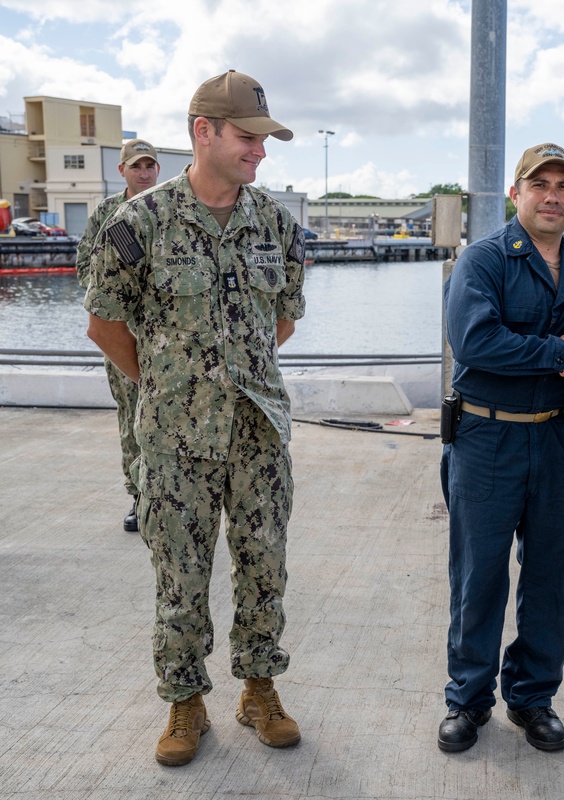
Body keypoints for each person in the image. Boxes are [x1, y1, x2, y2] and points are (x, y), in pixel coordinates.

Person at [85, 70, 306, 767]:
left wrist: (238, 377)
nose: (260, 152)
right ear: (202, 133)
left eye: (264, 140)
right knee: (180, 573)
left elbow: (284, 321)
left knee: (264, 565)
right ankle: (185, 702)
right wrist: (164, 383)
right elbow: (104, 325)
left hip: (258, 436)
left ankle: (259, 688)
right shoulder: (137, 223)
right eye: (248, 137)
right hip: (176, 440)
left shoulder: (275, 223)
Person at [438, 143, 564, 753]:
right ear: (516, 193)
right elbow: (475, 341)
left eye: (563, 186)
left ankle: (533, 698)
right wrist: (558, 351)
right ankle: (468, 700)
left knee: (553, 576)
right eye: (538, 183)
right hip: (487, 437)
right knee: (479, 575)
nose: (551, 195)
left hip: (557, 436)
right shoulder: (483, 261)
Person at [76, 139, 161, 532]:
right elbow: (84, 267)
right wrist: (113, 309)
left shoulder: (170, 209)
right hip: (123, 336)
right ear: (122, 170)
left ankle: (166, 498)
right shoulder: (109, 214)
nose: (144, 173)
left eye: (150, 166)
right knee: (132, 418)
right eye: (136, 167)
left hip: (165, 338)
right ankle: (138, 495)